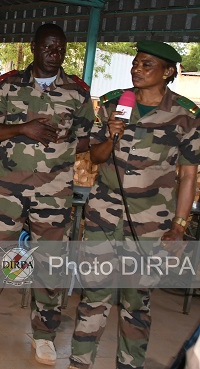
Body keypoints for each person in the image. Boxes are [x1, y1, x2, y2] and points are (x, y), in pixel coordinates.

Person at [0, 23, 94, 367]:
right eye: (48, 47)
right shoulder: (9, 84)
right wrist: (22, 129)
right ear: (33, 47)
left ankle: (45, 335)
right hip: (9, 190)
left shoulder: (77, 92)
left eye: (60, 49)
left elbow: (89, 138)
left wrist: (62, 149)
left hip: (54, 193)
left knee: (49, 262)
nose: (54, 54)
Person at [69, 41, 200, 369]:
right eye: (136, 63)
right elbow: (96, 157)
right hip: (103, 214)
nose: (137, 69)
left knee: (135, 302)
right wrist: (111, 135)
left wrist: (179, 228)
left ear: (168, 72)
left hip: (151, 224)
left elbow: (188, 176)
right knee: (94, 296)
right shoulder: (115, 103)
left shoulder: (185, 117)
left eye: (147, 65)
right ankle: (78, 363)